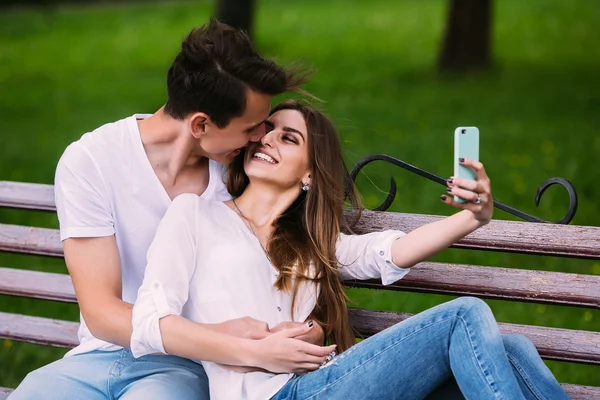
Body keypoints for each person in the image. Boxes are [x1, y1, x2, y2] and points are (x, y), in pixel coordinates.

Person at [130, 100, 569, 400]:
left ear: (310, 175)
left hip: (325, 384)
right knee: (464, 314)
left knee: (513, 351)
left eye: (288, 138)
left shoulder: (311, 246)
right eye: (267, 132)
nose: (267, 140)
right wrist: (255, 351)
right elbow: (150, 322)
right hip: (275, 395)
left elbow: (387, 253)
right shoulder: (194, 215)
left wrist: (473, 216)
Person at [9, 21, 328, 400]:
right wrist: (228, 340)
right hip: (95, 359)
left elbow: (297, 255)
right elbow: (102, 312)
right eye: (251, 128)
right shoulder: (92, 160)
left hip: (190, 365)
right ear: (201, 124)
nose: (260, 138)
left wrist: (309, 330)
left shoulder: (241, 175)